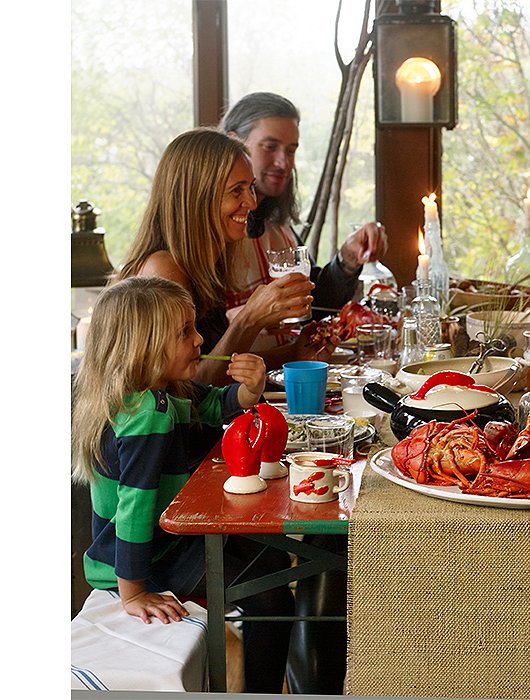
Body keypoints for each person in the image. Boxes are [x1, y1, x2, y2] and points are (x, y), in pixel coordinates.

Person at [71, 277, 295, 694]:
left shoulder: (158, 391)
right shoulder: (145, 418)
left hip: (163, 544)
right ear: (145, 346)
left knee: (272, 563)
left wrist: (248, 391)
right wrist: (134, 593)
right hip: (143, 562)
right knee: (270, 597)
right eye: (184, 331)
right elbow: (134, 510)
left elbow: (210, 404)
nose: (199, 339)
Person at [116, 127, 326, 386]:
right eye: (237, 191)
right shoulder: (162, 270)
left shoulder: (208, 262)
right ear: (197, 196)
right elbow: (190, 393)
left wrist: (294, 352)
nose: (252, 202)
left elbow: (216, 363)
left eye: (250, 187)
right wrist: (250, 319)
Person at [219, 91, 389, 329]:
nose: (283, 163)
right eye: (270, 147)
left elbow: (314, 304)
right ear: (233, 142)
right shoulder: (215, 230)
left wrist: (348, 259)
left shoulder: (277, 221)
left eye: (291, 151)